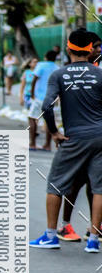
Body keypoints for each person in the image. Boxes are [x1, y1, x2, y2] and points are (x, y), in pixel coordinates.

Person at [30, 29, 102, 253]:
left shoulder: (59, 75)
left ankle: (51, 235)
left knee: (55, 184)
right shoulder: (99, 74)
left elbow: (46, 106)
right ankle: (93, 239)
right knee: (99, 187)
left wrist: (54, 133)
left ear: (68, 49)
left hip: (75, 137)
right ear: (91, 51)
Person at [58, 31, 102, 241]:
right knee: (76, 183)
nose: (98, 50)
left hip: (93, 137)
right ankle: (66, 225)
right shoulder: (81, 73)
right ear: (88, 49)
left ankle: (95, 227)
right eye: (96, 46)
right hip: (79, 137)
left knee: (95, 184)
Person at [29, 50, 57, 151]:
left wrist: (32, 94)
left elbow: (34, 79)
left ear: (45, 57)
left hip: (39, 97)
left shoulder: (41, 65)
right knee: (49, 121)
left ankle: (32, 143)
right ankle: (47, 145)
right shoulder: (57, 68)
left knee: (32, 118)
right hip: (51, 98)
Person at [19, 57, 37, 133]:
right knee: (30, 112)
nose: (36, 63)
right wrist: (21, 97)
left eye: (37, 62)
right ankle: (31, 127)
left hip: (36, 95)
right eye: (34, 62)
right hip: (28, 95)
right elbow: (22, 86)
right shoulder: (26, 73)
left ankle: (34, 128)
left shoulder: (38, 72)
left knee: (36, 112)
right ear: (30, 64)